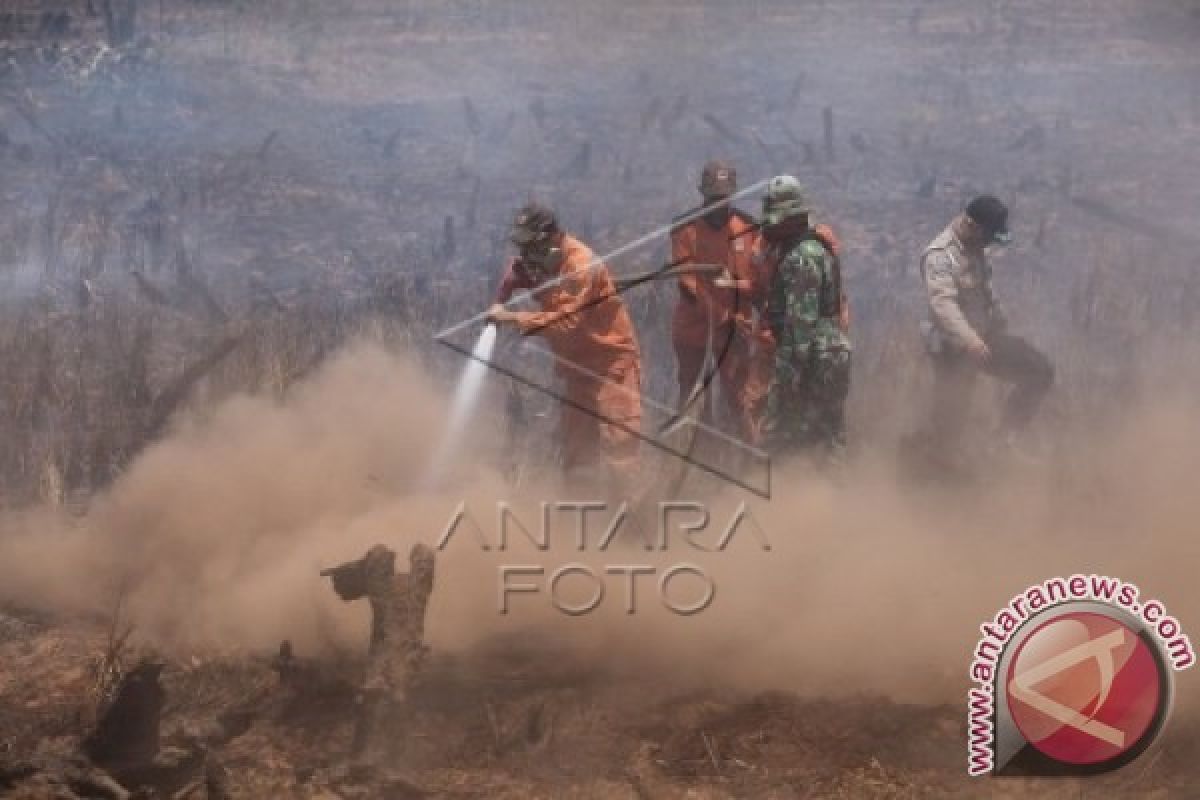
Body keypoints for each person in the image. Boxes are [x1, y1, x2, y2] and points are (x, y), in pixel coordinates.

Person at [489, 203, 642, 496]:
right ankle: (576, 523)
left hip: (611, 364)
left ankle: (631, 527)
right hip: (578, 369)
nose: (526, 256)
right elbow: (545, 292)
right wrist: (507, 289)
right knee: (577, 454)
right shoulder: (546, 265)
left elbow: (565, 322)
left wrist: (512, 317)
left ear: (550, 239)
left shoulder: (579, 264)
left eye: (530, 247)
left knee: (619, 451)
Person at [914, 195, 1054, 468]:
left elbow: (985, 292)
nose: (990, 243)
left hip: (985, 337)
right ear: (972, 226)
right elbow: (943, 305)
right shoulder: (940, 256)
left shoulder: (975, 249)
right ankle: (931, 481)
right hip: (952, 348)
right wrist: (970, 340)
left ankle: (1004, 440)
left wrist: (999, 319)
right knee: (950, 421)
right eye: (988, 236)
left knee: (1039, 370)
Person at [668, 160, 768, 444]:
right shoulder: (684, 229)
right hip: (694, 329)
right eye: (713, 197)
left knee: (739, 398)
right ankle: (698, 464)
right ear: (703, 195)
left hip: (735, 331)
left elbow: (758, 280)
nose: (718, 203)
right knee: (693, 399)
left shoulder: (749, 228)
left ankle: (750, 462)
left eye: (723, 198)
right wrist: (721, 314)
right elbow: (687, 283)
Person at [758, 176, 852, 464]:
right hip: (829, 353)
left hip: (813, 358)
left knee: (786, 438)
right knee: (827, 438)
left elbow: (800, 328)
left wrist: (785, 381)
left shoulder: (801, 257)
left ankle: (792, 498)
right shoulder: (813, 249)